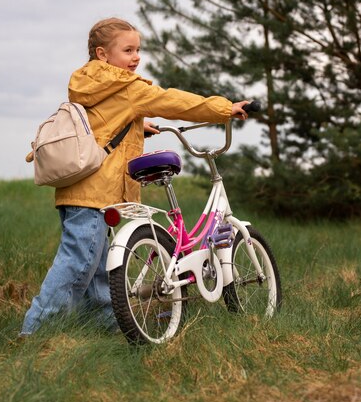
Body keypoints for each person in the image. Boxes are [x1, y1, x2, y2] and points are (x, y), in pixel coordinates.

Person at [20, 17, 249, 336]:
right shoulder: (127, 87)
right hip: (96, 191)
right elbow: (174, 101)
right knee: (78, 265)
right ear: (103, 53)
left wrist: (136, 124)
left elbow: (99, 122)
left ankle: (104, 324)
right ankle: (34, 332)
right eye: (128, 50)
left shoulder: (88, 82)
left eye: (138, 49)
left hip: (80, 188)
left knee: (98, 267)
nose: (136, 57)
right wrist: (223, 108)